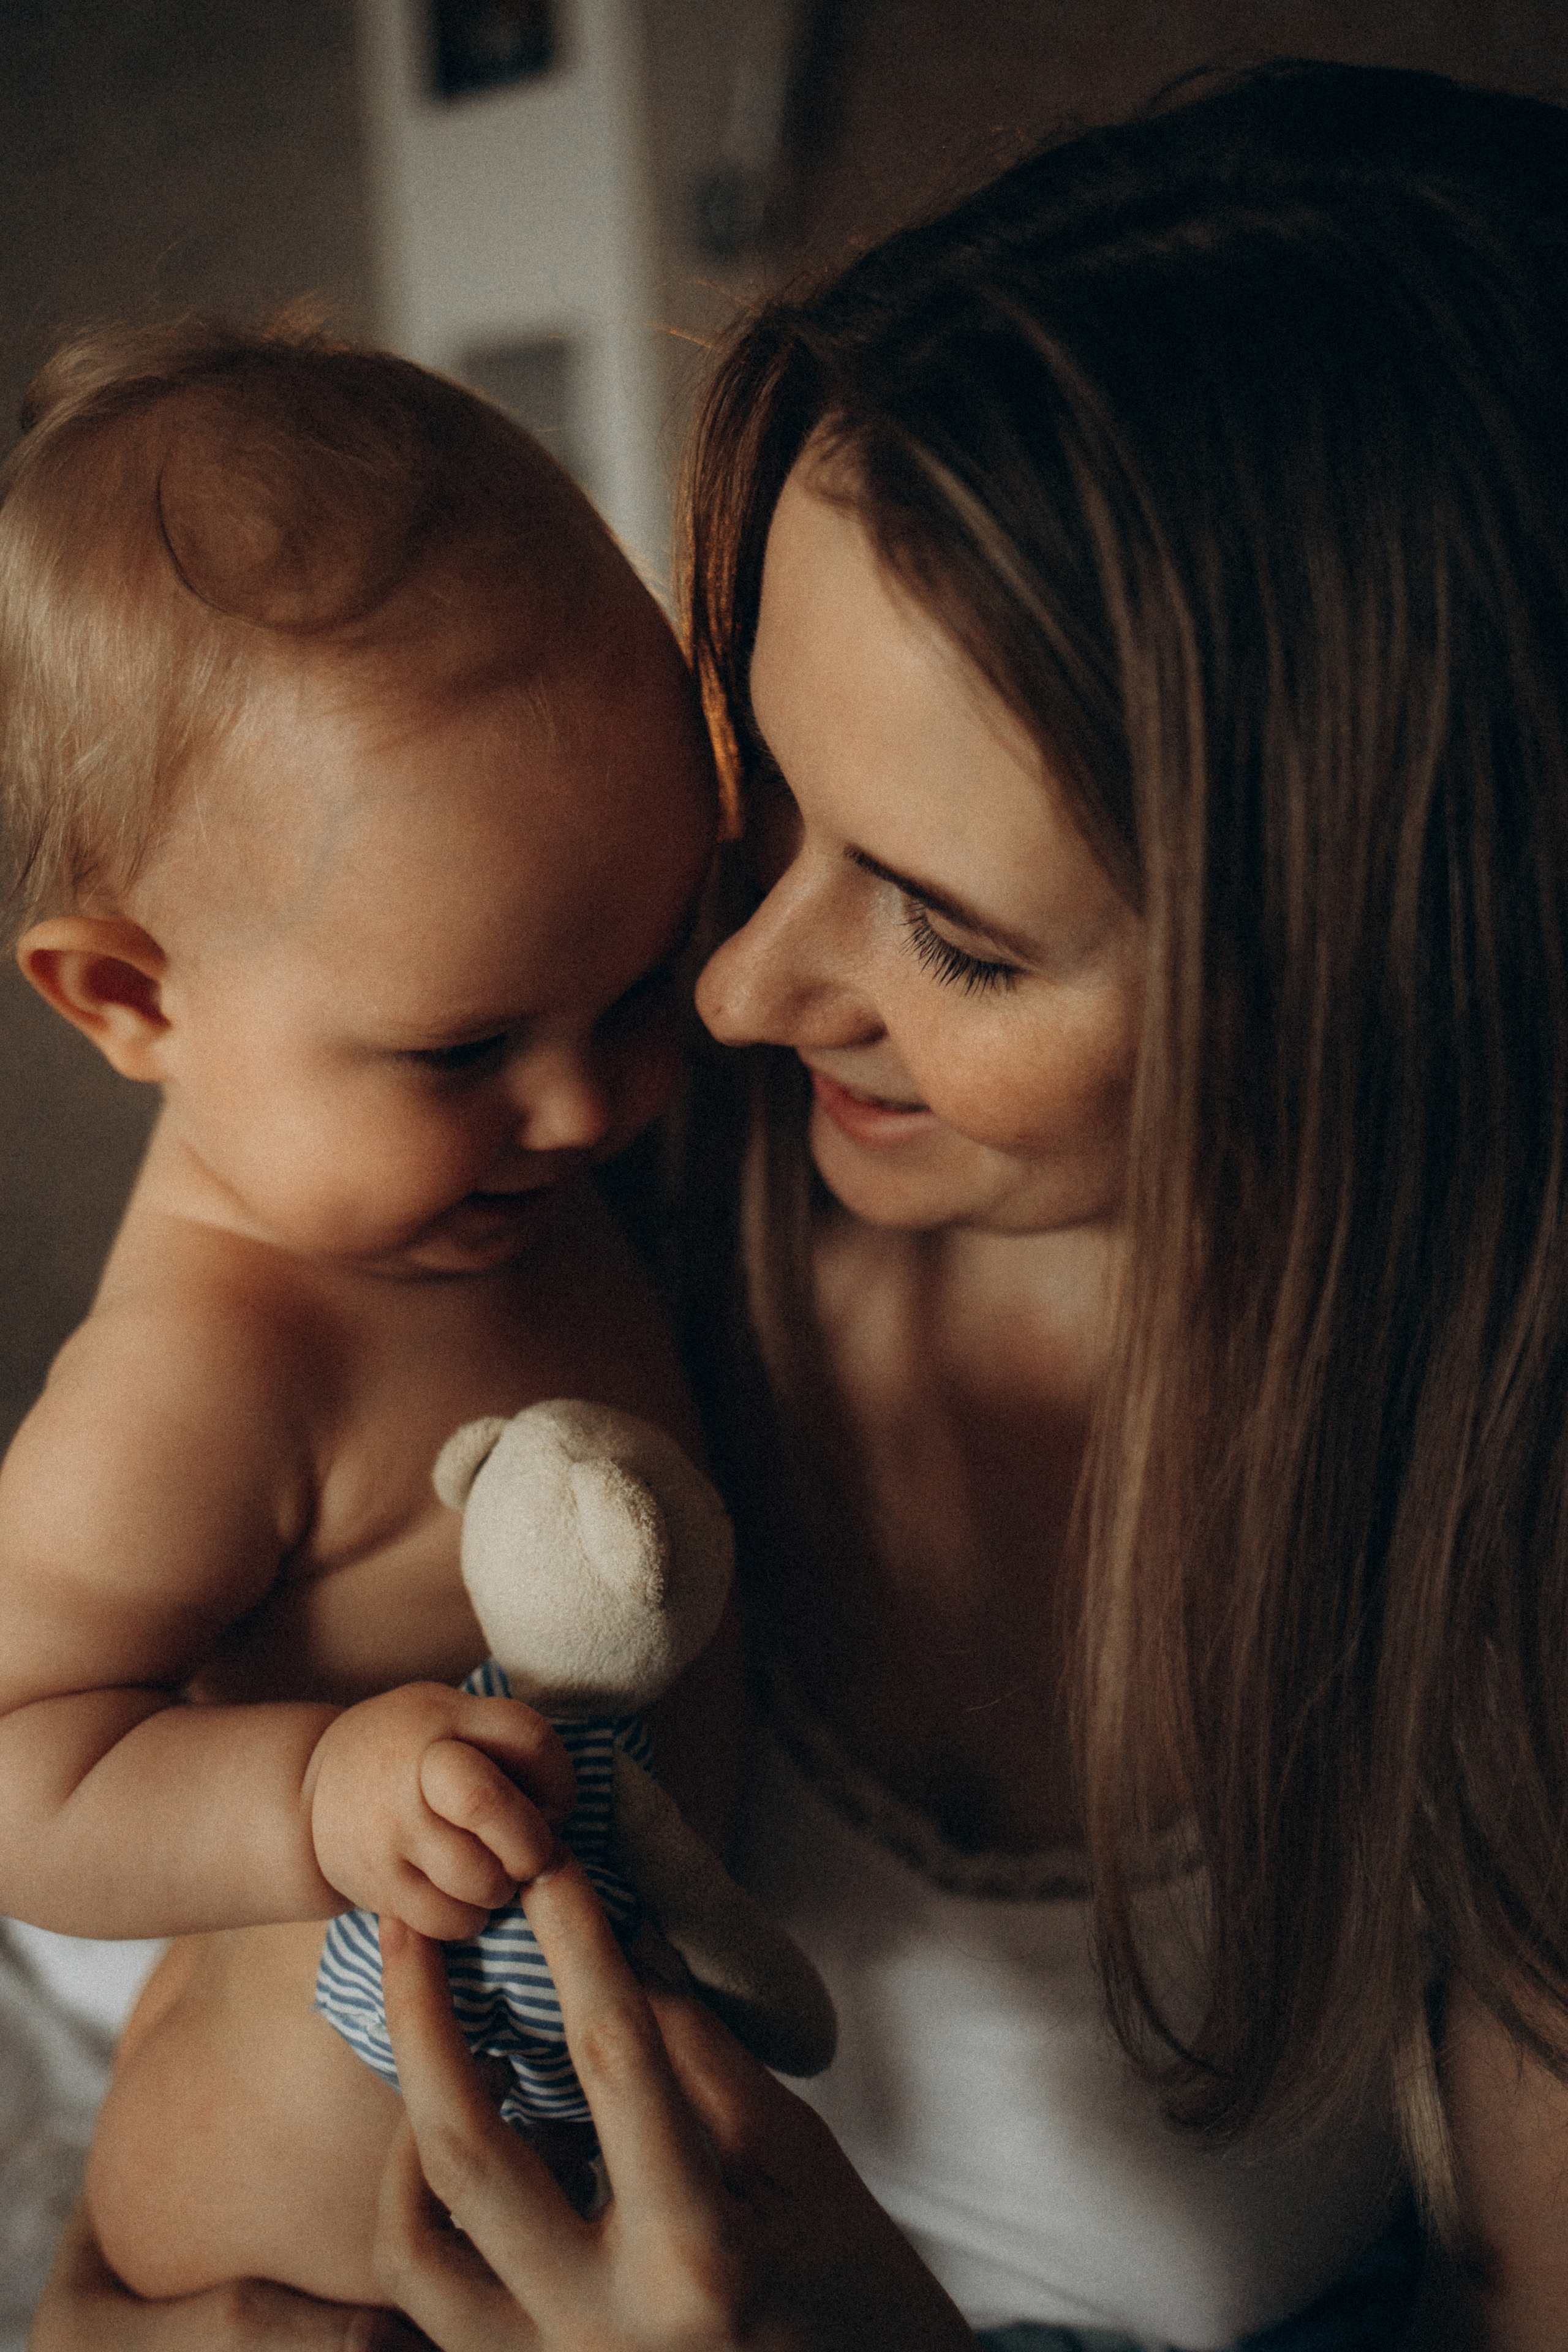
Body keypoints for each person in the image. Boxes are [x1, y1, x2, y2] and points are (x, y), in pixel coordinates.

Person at [27, 53, 1568, 2352]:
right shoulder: (540, 1173)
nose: (732, 992)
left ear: (1373, 985)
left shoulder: (1491, 1560)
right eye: (757, 804)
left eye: (950, 930)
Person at [0, 321, 728, 2304]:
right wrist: (305, 1794)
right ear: (128, 1000)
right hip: (309, 2235)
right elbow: (15, 1763)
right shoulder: (208, 1371)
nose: (591, 1106)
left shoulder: (504, 1180)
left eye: (645, 981)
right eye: (467, 1043)